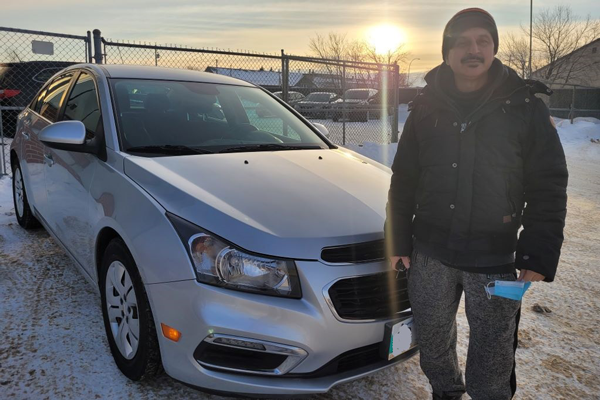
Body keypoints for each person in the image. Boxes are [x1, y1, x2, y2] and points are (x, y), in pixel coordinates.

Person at [385, 8, 568, 400]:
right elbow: (404, 180)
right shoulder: (425, 106)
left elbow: (548, 183)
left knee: (492, 361)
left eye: (483, 40)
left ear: (494, 47)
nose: (474, 49)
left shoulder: (525, 107)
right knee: (433, 349)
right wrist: (398, 240)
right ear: (447, 51)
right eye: (462, 41)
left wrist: (538, 252)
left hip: (496, 260)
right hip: (430, 255)